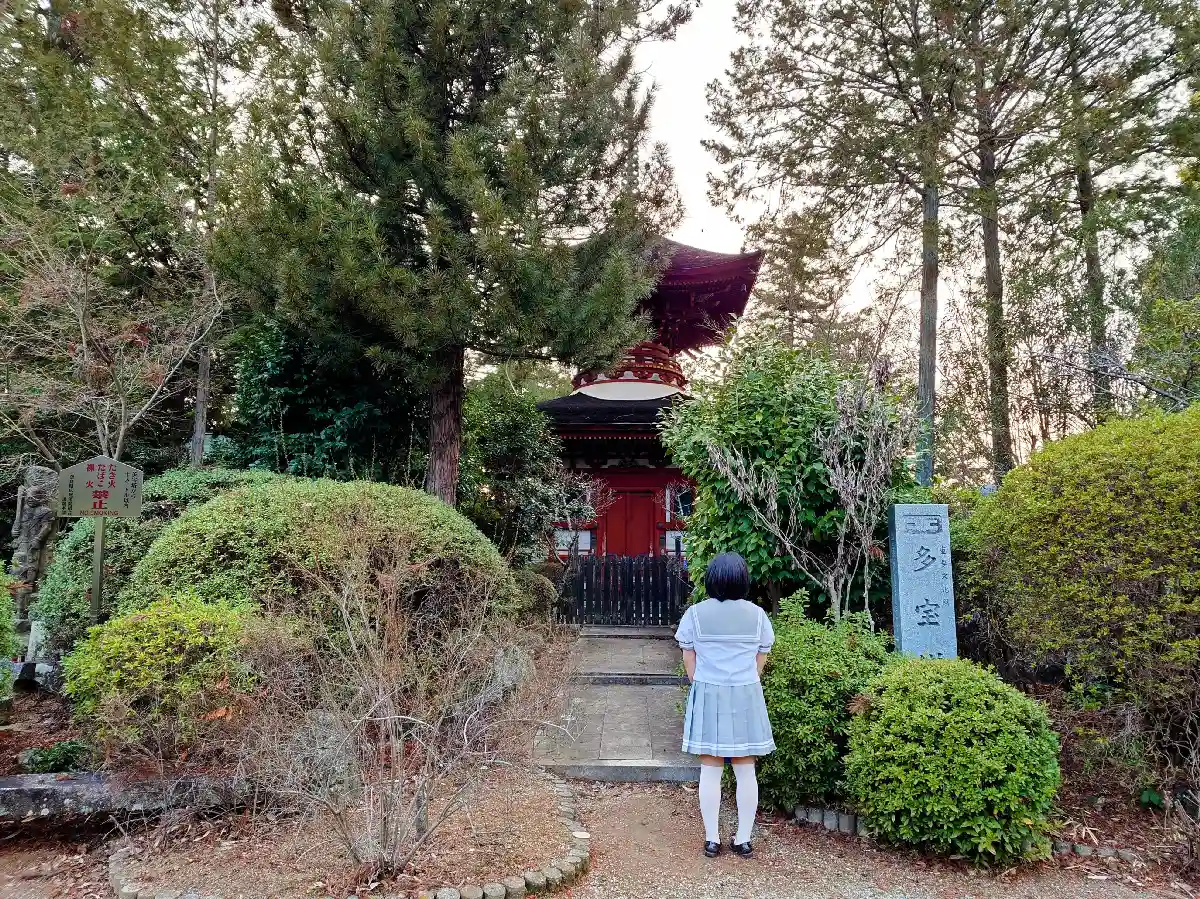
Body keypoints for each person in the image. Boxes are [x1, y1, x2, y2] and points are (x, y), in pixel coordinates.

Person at [674, 551, 775, 859]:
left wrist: (702, 682)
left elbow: (688, 656)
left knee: (710, 768)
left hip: (709, 692)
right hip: (746, 694)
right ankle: (743, 840)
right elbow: (761, 656)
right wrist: (746, 680)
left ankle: (712, 839)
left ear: (712, 579)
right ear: (743, 580)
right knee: (746, 769)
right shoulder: (757, 615)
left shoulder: (695, 614)